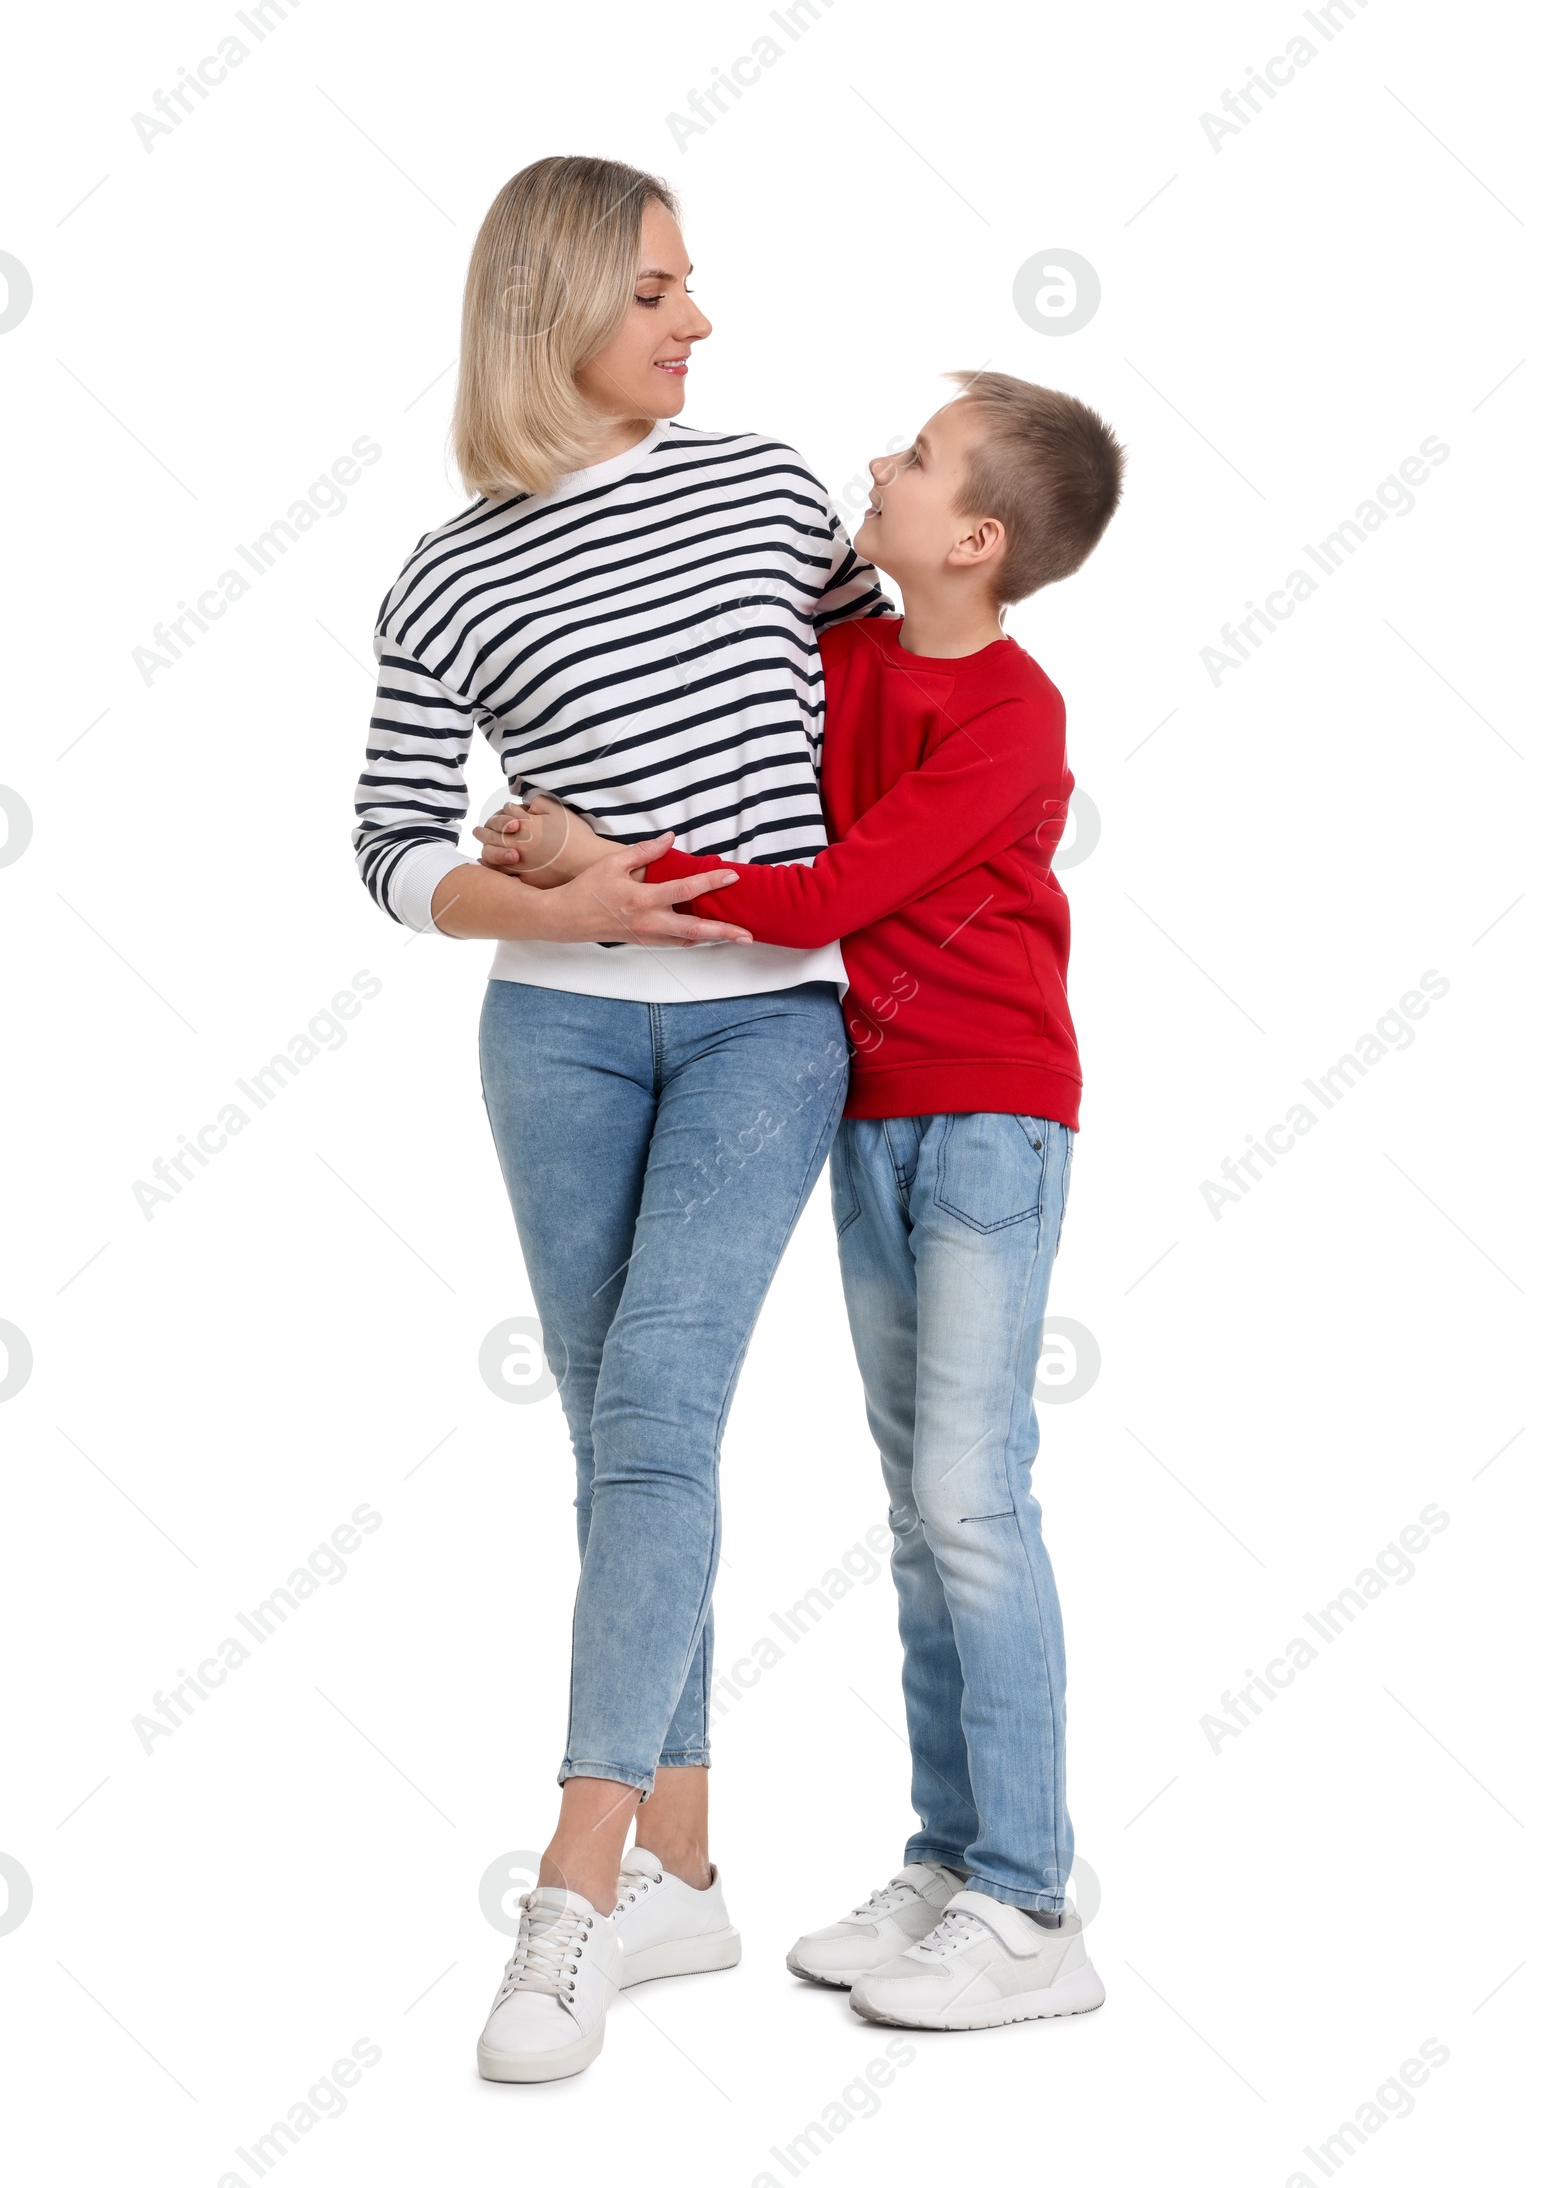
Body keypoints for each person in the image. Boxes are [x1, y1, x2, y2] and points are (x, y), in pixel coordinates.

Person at [478, 369, 1125, 2033]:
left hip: (990, 1118)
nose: (876, 465)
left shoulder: (1010, 715)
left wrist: (633, 888)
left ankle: (1035, 1901)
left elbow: (835, 884)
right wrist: (567, 839)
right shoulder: (842, 660)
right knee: (917, 1510)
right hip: (870, 1108)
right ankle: (947, 1861)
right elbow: (731, 782)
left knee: (977, 1501)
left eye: (914, 460)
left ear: (974, 538)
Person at [352, 153, 887, 2083]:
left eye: (690, 288)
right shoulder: (445, 565)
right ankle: (685, 1860)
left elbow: (898, 717)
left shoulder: (767, 487)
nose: (698, 320)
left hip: (770, 1026)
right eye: (659, 288)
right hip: (558, 1042)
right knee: (617, 1448)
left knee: (656, 1418)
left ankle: (569, 1891)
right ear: (555, 303)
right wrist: (555, 899)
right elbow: (391, 845)